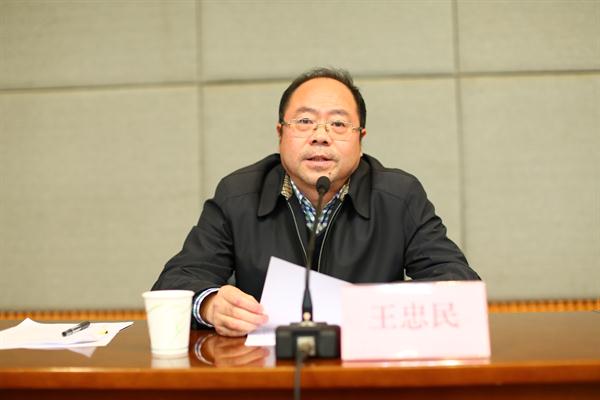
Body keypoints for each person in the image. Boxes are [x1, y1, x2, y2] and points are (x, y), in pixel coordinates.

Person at [152, 67, 480, 337]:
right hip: (269, 373)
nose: (320, 136)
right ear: (280, 134)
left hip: (368, 371)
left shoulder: (399, 196)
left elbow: (458, 281)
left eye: (338, 124)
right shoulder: (238, 195)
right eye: (305, 121)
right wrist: (210, 304)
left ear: (360, 139)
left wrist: (382, 309)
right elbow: (175, 282)